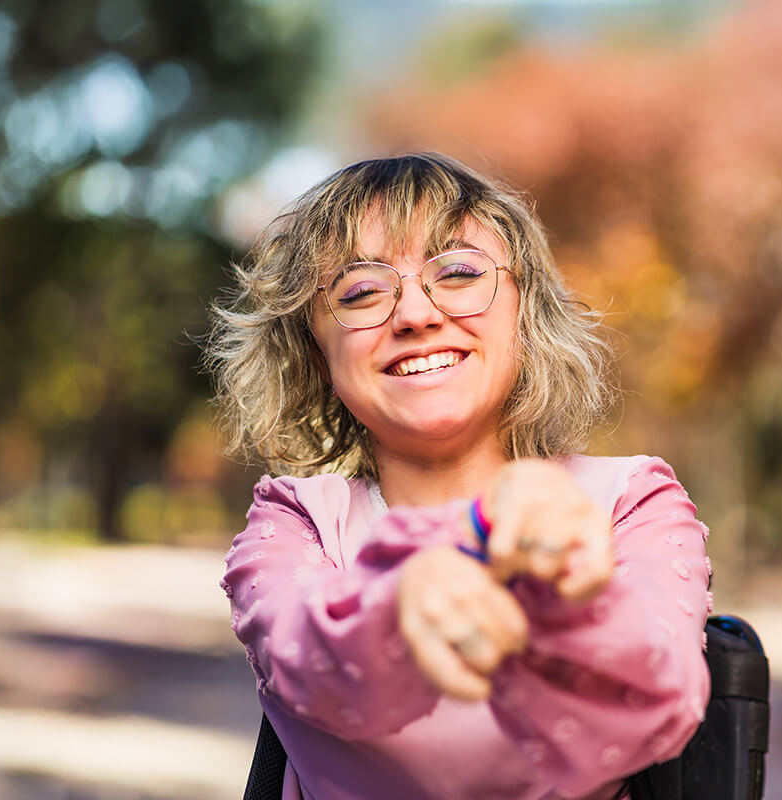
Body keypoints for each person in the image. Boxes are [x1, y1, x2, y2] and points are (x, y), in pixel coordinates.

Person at [207, 153, 713, 800]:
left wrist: (562, 597)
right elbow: (305, 662)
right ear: (314, 350)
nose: (415, 313)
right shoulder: (294, 519)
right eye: (360, 291)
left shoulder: (629, 504)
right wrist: (426, 580)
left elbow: (659, 695)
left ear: (524, 309)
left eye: (461, 272)